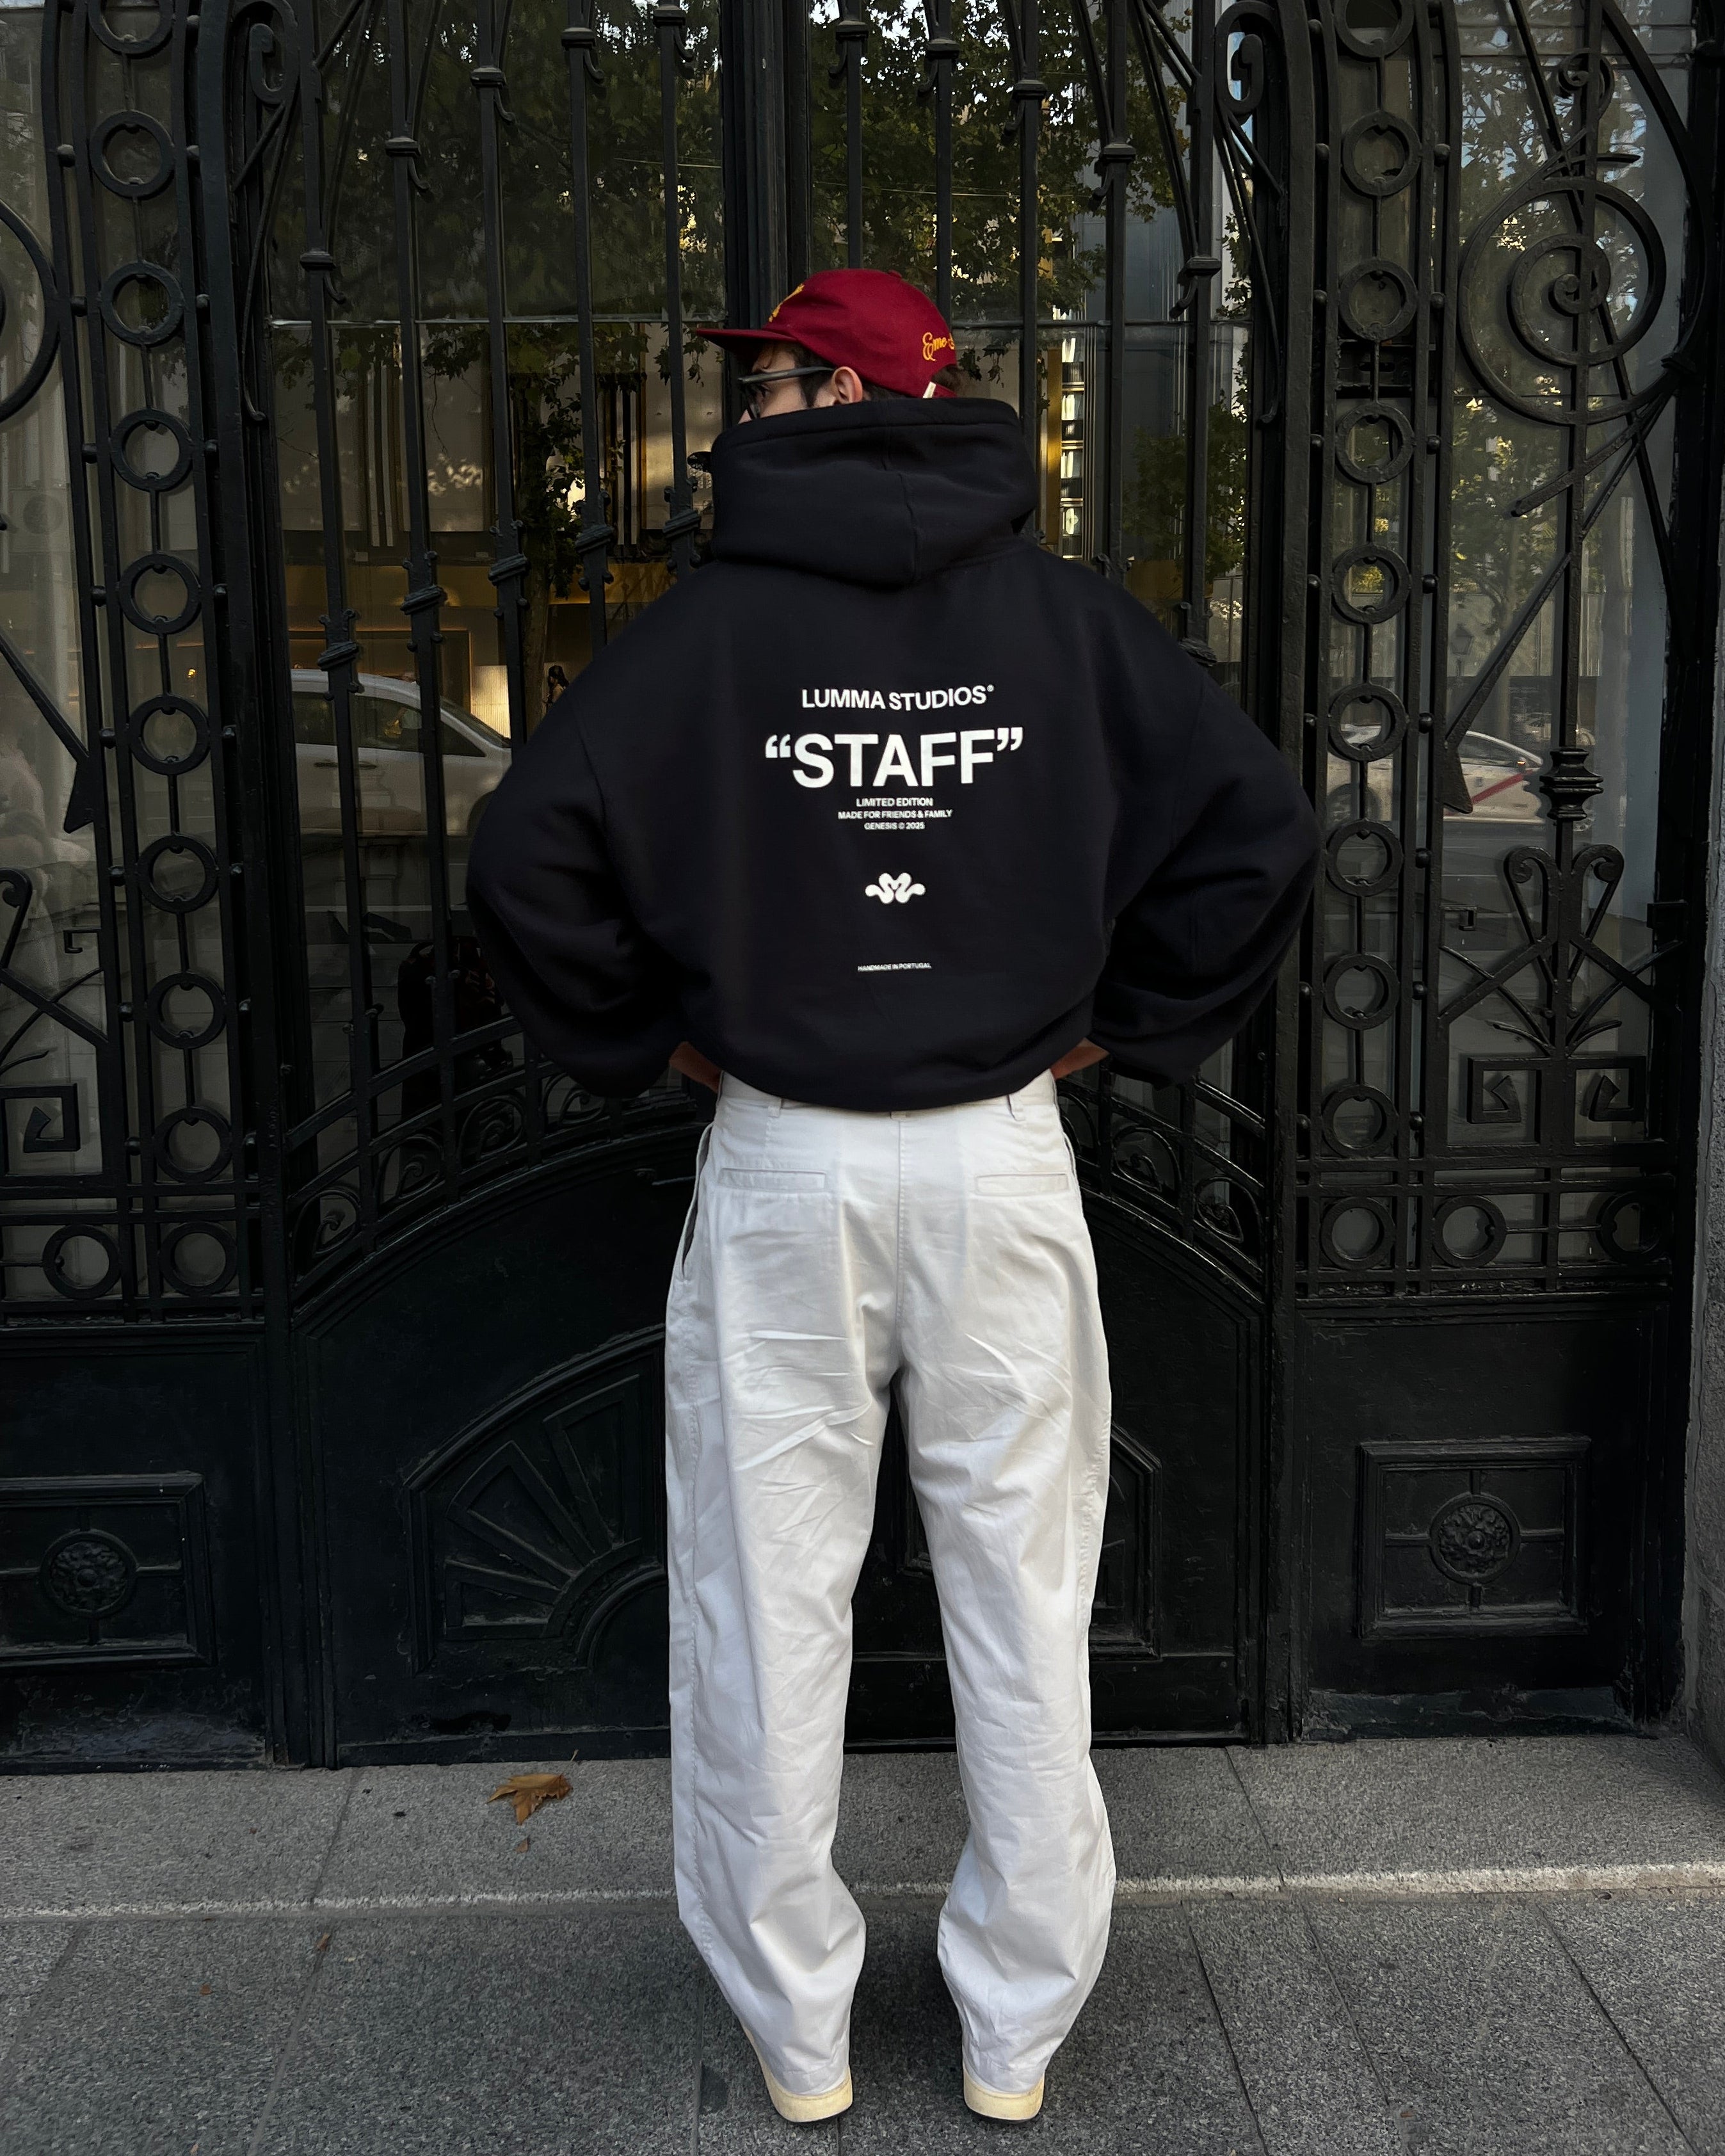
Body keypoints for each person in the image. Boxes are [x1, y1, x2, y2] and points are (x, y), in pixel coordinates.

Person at [467, 267, 1319, 2125]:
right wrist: (1121, 1034)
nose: (737, 414)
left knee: (767, 1600)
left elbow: (527, 850)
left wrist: (655, 1041)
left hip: (785, 1155)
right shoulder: (1071, 626)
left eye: (765, 380)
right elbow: (1255, 822)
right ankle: (1015, 2030)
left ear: (844, 396)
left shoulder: (700, 642)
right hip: (999, 1148)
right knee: (1022, 1590)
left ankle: (800, 2030)